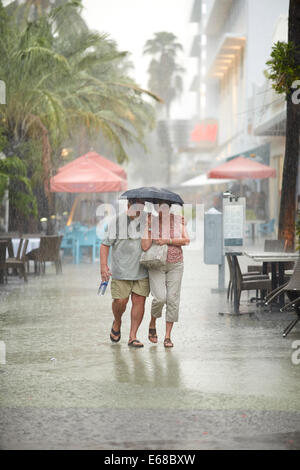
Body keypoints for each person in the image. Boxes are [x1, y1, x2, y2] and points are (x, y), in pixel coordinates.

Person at [100, 199, 150, 348]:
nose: (139, 210)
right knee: (120, 302)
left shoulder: (148, 220)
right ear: (128, 206)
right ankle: (117, 320)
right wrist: (103, 267)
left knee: (139, 301)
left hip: (142, 270)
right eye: (136, 206)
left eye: (142, 206)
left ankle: (133, 336)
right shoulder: (117, 222)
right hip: (121, 271)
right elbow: (105, 245)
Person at [141, 201, 190, 348]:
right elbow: (144, 246)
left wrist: (167, 240)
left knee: (173, 300)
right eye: (158, 206)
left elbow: (186, 240)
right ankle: (152, 321)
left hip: (176, 265)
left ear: (169, 207)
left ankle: (168, 336)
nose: (161, 209)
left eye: (164, 206)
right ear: (156, 208)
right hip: (157, 264)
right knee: (160, 298)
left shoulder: (178, 220)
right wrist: (148, 226)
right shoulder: (152, 221)